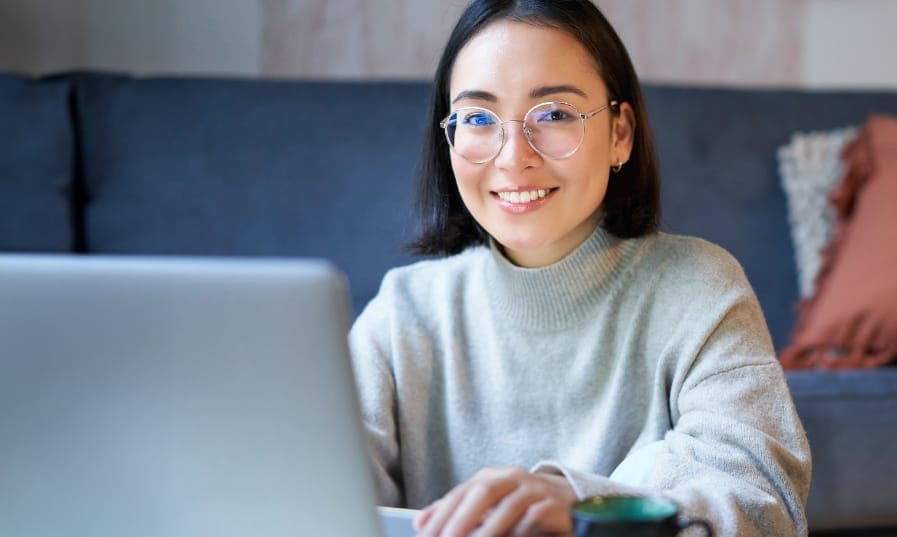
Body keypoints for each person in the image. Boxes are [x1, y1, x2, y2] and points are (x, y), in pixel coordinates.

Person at [348, 1, 812, 535]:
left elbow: (760, 499)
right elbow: (316, 489)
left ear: (620, 134)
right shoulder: (403, 311)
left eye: (554, 114)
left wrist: (581, 503)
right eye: (478, 118)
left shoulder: (702, 289)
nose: (512, 156)